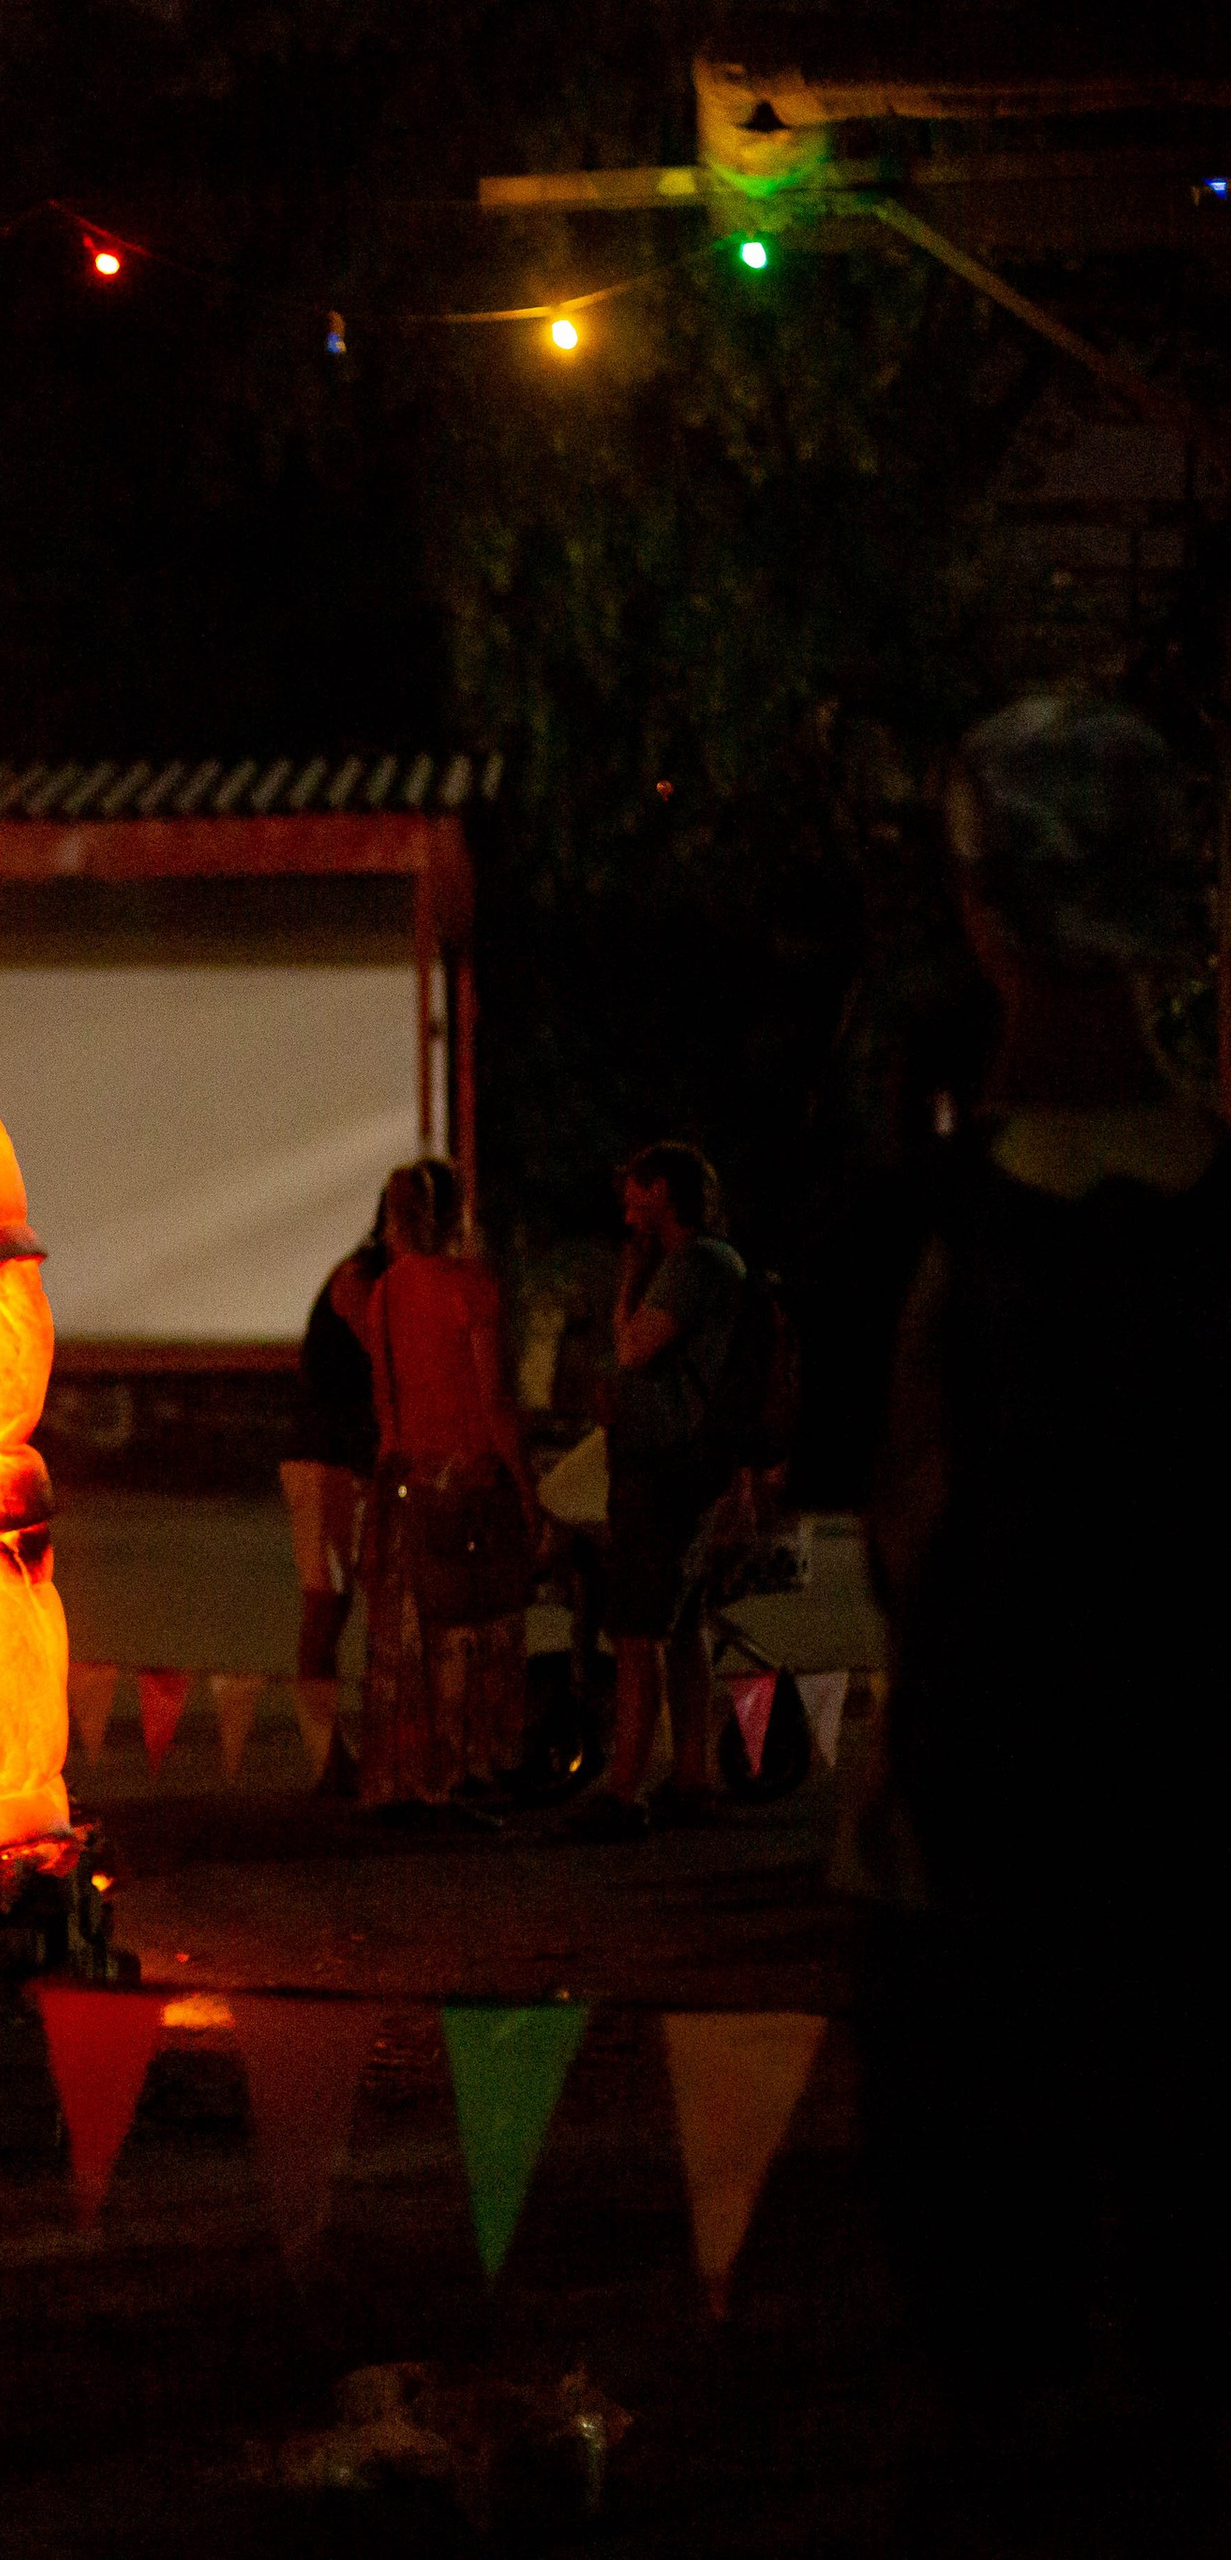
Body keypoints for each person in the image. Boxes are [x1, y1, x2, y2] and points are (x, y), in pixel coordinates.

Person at [855, 698, 1228, 2548]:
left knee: (1000, 2326)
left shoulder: (953, 1226)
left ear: (990, 916)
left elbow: (915, 1524)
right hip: (1200, 1854)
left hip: (994, 1843)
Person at [350, 1159, 541, 1816]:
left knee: (412, 1639)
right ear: (460, 1213)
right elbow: (493, 1402)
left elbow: (385, 1402)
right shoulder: (473, 1288)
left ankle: (409, 1774)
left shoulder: (384, 1293)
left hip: (407, 1478)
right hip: (469, 1482)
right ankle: (465, 1769)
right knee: (472, 1633)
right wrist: (526, 1485)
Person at [567, 1141, 745, 1840]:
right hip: (690, 1463)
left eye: (636, 1192)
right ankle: (693, 1775)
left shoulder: (693, 1264)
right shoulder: (716, 1262)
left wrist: (634, 1275)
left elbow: (634, 1347)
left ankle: (622, 1791)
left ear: (665, 1192)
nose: (626, 1205)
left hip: (662, 1466)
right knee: (683, 1625)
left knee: (637, 1629)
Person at [280, 1203, 384, 1788]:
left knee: (363, 1599)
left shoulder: (386, 1276)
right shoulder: (360, 1278)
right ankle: (325, 1756)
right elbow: (385, 1353)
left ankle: (361, 1749)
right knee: (327, 1600)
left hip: (357, 1457)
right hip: (323, 1457)